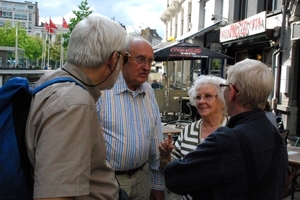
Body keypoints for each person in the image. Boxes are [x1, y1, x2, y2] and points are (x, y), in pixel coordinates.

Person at [25, 13, 128, 199]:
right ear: (113, 59)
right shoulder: (74, 104)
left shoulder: (51, 79)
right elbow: (54, 195)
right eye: (125, 58)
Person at [163, 59, 288, 199]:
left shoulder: (226, 139)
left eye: (225, 86)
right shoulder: (276, 135)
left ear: (232, 92)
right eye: (198, 97)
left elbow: (175, 179)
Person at [97, 35, 165, 200]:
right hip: (109, 182)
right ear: (123, 59)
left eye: (150, 61)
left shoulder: (148, 92)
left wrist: (157, 185)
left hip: (142, 178)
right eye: (141, 59)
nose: (147, 67)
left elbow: (156, 142)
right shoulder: (102, 91)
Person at [159, 75, 228, 200]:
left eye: (208, 96)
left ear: (222, 101)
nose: (201, 101)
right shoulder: (188, 131)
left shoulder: (232, 129)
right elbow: (173, 169)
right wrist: (165, 157)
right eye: (198, 97)